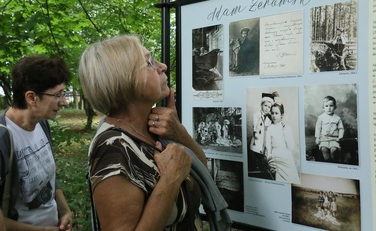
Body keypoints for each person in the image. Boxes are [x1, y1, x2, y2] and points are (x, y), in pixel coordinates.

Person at [79, 35, 231, 230]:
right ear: (125, 79)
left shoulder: (150, 127)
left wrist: (179, 133)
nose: (163, 66)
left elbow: (201, 169)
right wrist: (170, 180)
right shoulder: (113, 147)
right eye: (149, 62)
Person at [0, 55, 73, 230]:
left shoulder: (42, 124)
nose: (64, 101)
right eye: (58, 95)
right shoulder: (3, 138)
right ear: (32, 98)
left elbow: (49, 179)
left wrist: (64, 211)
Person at [265, 103, 300, 184]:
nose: (274, 116)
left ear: (282, 115)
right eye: (272, 113)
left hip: (286, 156)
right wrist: (269, 161)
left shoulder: (286, 128)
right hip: (275, 156)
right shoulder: (270, 128)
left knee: (290, 179)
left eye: (276, 113)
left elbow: (291, 146)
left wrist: (285, 132)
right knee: (279, 180)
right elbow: (268, 147)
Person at [249, 93, 275, 173]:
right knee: (255, 150)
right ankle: (254, 166)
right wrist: (255, 131)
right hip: (257, 136)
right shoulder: (256, 115)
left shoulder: (269, 118)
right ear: (261, 105)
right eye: (265, 106)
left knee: (262, 152)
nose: (267, 108)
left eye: (269, 107)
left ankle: (261, 166)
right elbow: (255, 124)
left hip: (264, 138)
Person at [315, 95, 344, 162]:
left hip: (334, 139)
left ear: (335, 107)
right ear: (323, 108)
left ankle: (334, 161)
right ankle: (328, 161)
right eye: (326, 106)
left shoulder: (337, 118)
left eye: (331, 106)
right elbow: (318, 128)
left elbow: (341, 128)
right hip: (324, 139)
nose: (329, 108)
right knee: (324, 149)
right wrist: (317, 138)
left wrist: (340, 137)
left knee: (333, 150)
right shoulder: (321, 117)